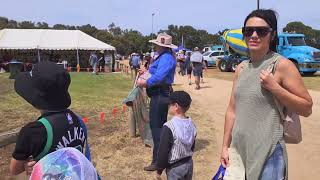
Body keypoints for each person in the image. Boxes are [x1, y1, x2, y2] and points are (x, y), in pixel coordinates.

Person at [220, 9, 313, 180]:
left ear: (272, 35)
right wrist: (225, 146)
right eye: (248, 31)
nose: (254, 35)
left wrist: (275, 88)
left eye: (261, 31)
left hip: (269, 153)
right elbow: (232, 111)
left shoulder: (281, 65)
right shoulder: (241, 68)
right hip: (239, 151)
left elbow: (307, 108)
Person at [10, 61, 90, 176]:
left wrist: (27, 166)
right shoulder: (77, 120)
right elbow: (83, 157)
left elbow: (14, 170)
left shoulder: (32, 131)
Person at [136, 33, 177, 171]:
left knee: (157, 129)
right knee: (157, 127)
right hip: (159, 94)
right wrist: (147, 71)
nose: (155, 46)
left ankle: (158, 161)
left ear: (161, 46)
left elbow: (159, 77)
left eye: (157, 44)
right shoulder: (165, 56)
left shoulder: (166, 57)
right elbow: (157, 73)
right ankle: (160, 158)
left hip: (160, 95)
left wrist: (145, 83)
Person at [156, 91, 196, 180]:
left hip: (175, 168)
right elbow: (192, 146)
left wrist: (159, 169)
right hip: (189, 163)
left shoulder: (169, 126)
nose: (168, 106)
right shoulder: (192, 125)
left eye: (170, 104)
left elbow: (163, 150)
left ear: (176, 106)